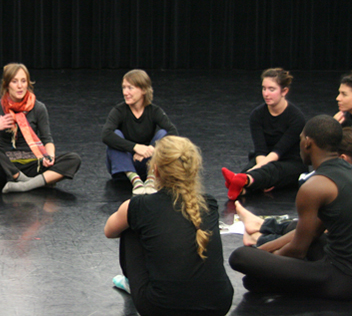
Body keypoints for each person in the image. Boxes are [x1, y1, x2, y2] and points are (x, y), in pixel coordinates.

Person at [104, 136, 233, 316]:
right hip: (219, 305)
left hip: (161, 308)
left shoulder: (140, 205)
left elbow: (109, 231)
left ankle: (131, 282)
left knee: (129, 223)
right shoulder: (208, 203)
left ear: (155, 171)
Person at [229, 115, 352, 300]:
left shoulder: (313, 187)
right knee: (255, 278)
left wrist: (269, 265)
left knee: (240, 257)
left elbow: (297, 250)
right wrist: (263, 254)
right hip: (341, 265)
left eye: (301, 138)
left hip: (340, 277)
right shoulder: (345, 170)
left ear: (308, 143)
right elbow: (313, 232)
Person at [0, 63, 81, 193]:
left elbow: (47, 139)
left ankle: (25, 185)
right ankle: (33, 181)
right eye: (14, 81)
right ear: (7, 85)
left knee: (74, 159)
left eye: (23, 81)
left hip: (33, 164)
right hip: (7, 168)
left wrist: (49, 156)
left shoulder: (38, 108)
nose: (20, 86)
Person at [222, 68, 308, 200]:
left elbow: (279, 151)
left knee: (269, 171)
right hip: (264, 159)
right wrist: (261, 175)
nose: (266, 94)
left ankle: (245, 180)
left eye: (271, 89)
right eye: (264, 89)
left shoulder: (296, 118)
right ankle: (243, 187)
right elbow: (261, 150)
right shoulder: (257, 115)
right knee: (251, 170)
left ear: (284, 91)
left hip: (290, 163)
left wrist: (259, 173)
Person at [102, 69, 178, 195]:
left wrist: (151, 149)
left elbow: (172, 131)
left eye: (130, 88)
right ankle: (135, 180)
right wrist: (135, 148)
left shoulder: (154, 111)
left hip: (147, 163)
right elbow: (106, 135)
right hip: (123, 168)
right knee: (115, 134)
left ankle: (151, 178)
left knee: (163, 134)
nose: (125, 92)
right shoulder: (119, 111)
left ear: (143, 90)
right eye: (124, 88)